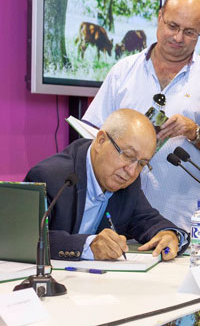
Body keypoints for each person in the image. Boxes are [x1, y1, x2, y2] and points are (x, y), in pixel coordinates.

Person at [83, 0, 200, 231]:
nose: (178, 38)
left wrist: (193, 131)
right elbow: (92, 137)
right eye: (172, 26)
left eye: (189, 32)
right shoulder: (122, 72)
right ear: (160, 17)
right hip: (116, 220)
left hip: (183, 220)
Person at [25, 109, 188, 261]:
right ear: (101, 141)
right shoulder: (50, 177)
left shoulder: (126, 181)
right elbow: (25, 238)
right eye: (128, 155)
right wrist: (88, 246)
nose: (131, 171)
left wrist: (170, 235)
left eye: (142, 164)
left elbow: (148, 220)